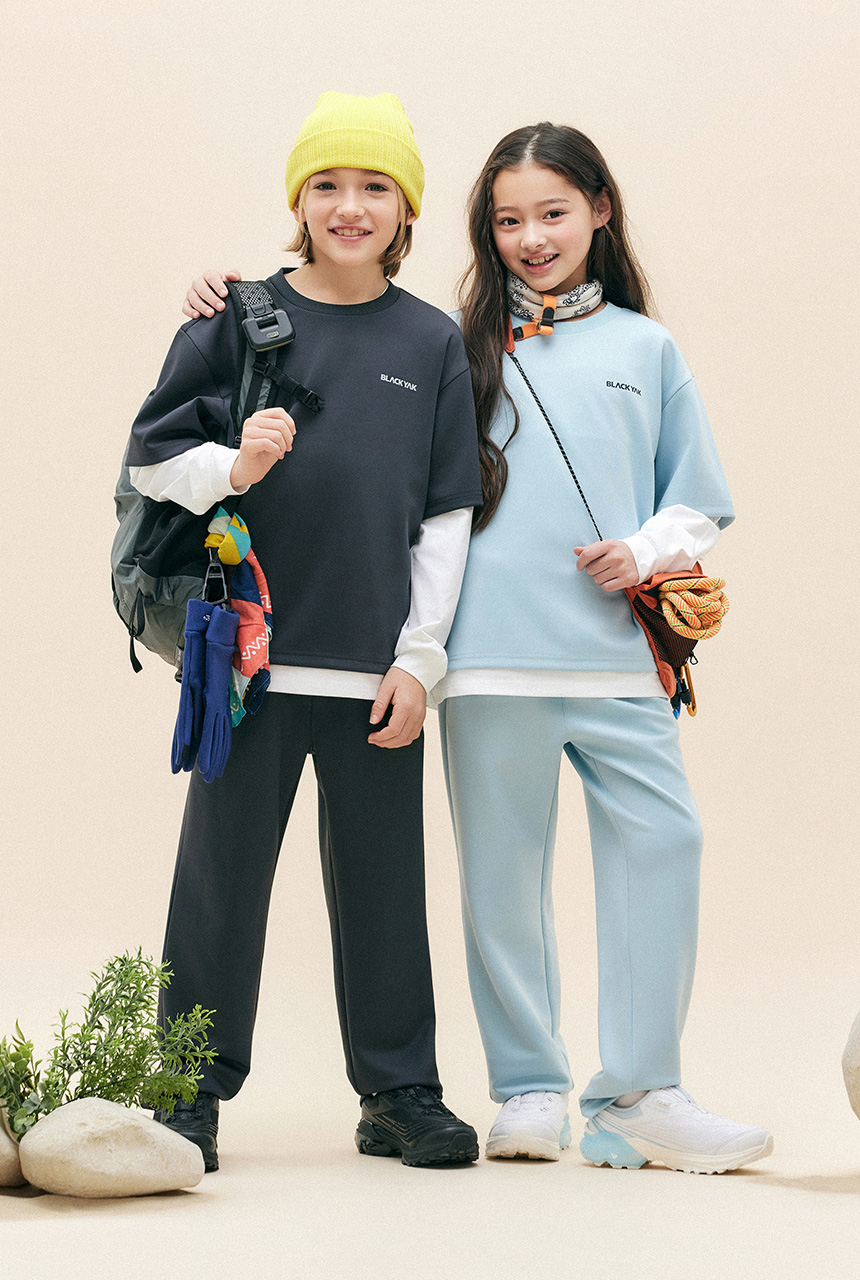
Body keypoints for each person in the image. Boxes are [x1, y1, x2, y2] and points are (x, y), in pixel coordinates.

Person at [182, 121, 773, 1176]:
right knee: (502, 881)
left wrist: (643, 550)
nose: (531, 237)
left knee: (664, 844)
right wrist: (225, 295)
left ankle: (642, 1091)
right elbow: (340, 331)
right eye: (507, 220)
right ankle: (529, 1086)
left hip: (618, 659)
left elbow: (698, 500)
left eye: (553, 212)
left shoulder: (647, 348)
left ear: (600, 210)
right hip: (486, 659)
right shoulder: (451, 344)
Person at [126, 92, 484, 1171]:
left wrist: (419, 659)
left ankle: (400, 1092)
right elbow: (151, 460)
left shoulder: (430, 341)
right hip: (244, 666)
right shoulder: (232, 316)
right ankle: (184, 1090)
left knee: (386, 889)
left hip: (375, 671)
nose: (349, 206)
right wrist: (233, 465)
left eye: (375, 186)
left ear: (406, 207)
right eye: (327, 184)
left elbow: (446, 516)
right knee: (219, 886)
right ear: (298, 199)